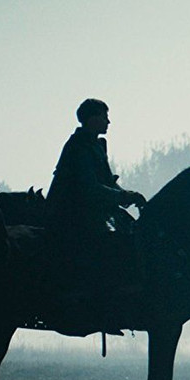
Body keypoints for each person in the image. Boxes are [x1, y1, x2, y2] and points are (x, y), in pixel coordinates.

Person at [45, 99, 146, 304]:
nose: (108, 122)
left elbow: (107, 181)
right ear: (91, 119)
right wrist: (121, 197)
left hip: (95, 209)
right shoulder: (78, 146)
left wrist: (129, 195)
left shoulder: (96, 145)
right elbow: (88, 188)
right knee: (110, 243)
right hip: (75, 213)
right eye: (104, 116)